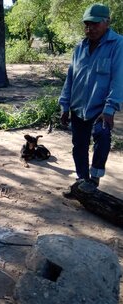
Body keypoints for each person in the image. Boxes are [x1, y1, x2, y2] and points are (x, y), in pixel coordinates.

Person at [59, 3, 123, 195]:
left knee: (102, 137)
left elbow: (119, 79)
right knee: (78, 145)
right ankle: (81, 181)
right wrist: (64, 104)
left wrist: (110, 108)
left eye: (95, 24)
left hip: (101, 108)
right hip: (78, 106)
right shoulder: (80, 47)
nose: (90, 28)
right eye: (87, 24)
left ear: (107, 23)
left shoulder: (118, 44)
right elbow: (70, 78)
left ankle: (93, 179)